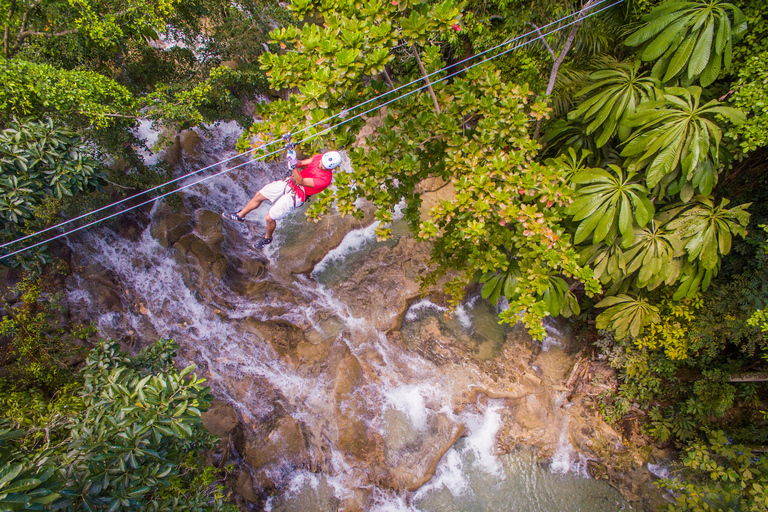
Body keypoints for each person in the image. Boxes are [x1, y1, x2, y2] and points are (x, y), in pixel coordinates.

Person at [222, 151, 342, 248]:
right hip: (290, 182)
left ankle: (267, 238)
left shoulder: (324, 180)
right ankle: (240, 215)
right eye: (321, 162)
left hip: (298, 195)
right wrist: (292, 157)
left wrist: (293, 165)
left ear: (329, 168)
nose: (320, 165)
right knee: (259, 195)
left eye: (324, 166)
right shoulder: (319, 158)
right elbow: (301, 163)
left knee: (269, 218)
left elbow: (301, 181)